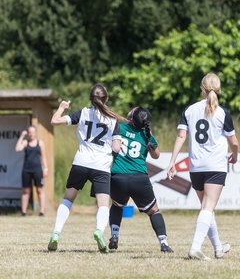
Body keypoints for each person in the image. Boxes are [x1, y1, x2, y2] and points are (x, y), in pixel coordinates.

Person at [167, 72, 238, 260]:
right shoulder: (223, 113)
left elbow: (181, 137)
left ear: (202, 89)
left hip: (196, 167)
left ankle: (217, 248)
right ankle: (195, 248)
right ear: (219, 89)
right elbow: (235, 143)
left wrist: (172, 161)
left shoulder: (189, 110)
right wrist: (236, 155)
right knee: (207, 208)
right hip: (215, 165)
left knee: (207, 208)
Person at [48, 84, 123, 253]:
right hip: (101, 166)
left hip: (81, 163)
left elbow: (55, 121)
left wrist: (61, 108)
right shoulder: (113, 120)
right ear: (107, 99)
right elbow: (116, 148)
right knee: (103, 203)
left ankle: (56, 233)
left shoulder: (82, 113)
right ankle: (98, 231)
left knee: (68, 199)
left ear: (90, 99)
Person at [109, 106, 173, 253]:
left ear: (131, 118)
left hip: (118, 176)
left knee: (117, 206)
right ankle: (164, 243)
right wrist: (150, 141)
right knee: (154, 211)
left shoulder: (119, 128)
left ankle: (114, 236)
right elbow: (156, 155)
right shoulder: (146, 133)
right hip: (139, 178)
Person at [15, 125, 48, 216]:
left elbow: (43, 157)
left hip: (38, 170)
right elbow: (17, 148)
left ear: (35, 133)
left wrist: (45, 168)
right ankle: (23, 212)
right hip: (26, 170)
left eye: (33, 132)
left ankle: (41, 211)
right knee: (26, 191)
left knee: (39, 190)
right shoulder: (25, 142)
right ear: (28, 133)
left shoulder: (40, 143)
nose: (31, 134)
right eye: (29, 132)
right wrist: (22, 136)